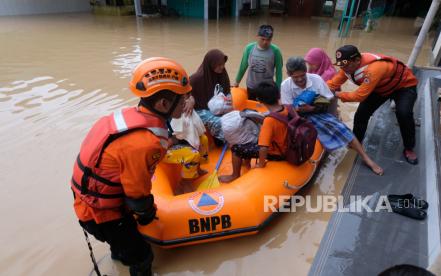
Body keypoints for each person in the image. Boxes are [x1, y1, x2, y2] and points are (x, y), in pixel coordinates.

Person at [71, 57, 191, 276]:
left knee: (124, 245)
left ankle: (120, 255)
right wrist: (147, 213)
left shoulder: (129, 117)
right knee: (143, 255)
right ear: (163, 104)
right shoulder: (145, 144)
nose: (186, 102)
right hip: (99, 213)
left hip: (89, 199)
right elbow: (137, 195)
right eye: (183, 98)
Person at [281, 57, 383, 175]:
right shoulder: (285, 86)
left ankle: (367, 159)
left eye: (302, 75)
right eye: (295, 77)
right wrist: (298, 113)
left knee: (344, 130)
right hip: (298, 117)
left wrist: (312, 108)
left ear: (306, 72)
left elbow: (328, 100)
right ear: (289, 74)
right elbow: (288, 109)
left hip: (317, 113)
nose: (299, 79)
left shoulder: (316, 79)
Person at [327, 45, 419, 164]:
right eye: (341, 66)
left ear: (357, 60)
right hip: (380, 88)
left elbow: (359, 96)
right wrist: (317, 90)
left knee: (404, 113)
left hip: (403, 86)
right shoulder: (347, 68)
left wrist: (337, 94)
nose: (344, 69)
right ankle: (356, 141)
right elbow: (332, 84)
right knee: (361, 114)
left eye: (347, 65)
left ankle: (409, 148)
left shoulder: (374, 69)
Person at [219, 82, 287, 183]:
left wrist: (261, 164)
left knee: (236, 148)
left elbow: (263, 147)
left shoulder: (270, 120)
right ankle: (246, 162)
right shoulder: (285, 109)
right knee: (251, 140)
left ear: (259, 100)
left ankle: (234, 175)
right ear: (278, 95)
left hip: (276, 152)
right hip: (284, 145)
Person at [185, 49, 231, 141]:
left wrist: (229, 100)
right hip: (201, 108)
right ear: (211, 64)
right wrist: (190, 98)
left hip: (218, 105)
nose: (222, 67)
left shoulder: (223, 74)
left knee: (234, 118)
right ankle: (222, 140)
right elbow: (184, 92)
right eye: (219, 65)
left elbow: (227, 91)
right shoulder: (197, 78)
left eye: (223, 64)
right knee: (219, 122)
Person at [232, 25, 283, 100]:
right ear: (257, 36)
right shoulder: (249, 48)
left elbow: (279, 72)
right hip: (251, 86)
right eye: (262, 39)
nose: (265, 42)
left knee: (265, 110)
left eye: (268, 40)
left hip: (267, 88)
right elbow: (243, 66)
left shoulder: (276, 51)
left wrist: (278, 90)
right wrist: (237, 82)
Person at [304, 47, 339, 115]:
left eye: (312, 64)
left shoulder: (330, 74)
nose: (309, 66)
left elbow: (326, 94)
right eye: (308, 64)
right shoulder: (313, 69)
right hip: (316, 99)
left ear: (320, 61)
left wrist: (312, 108)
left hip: (328, 101)